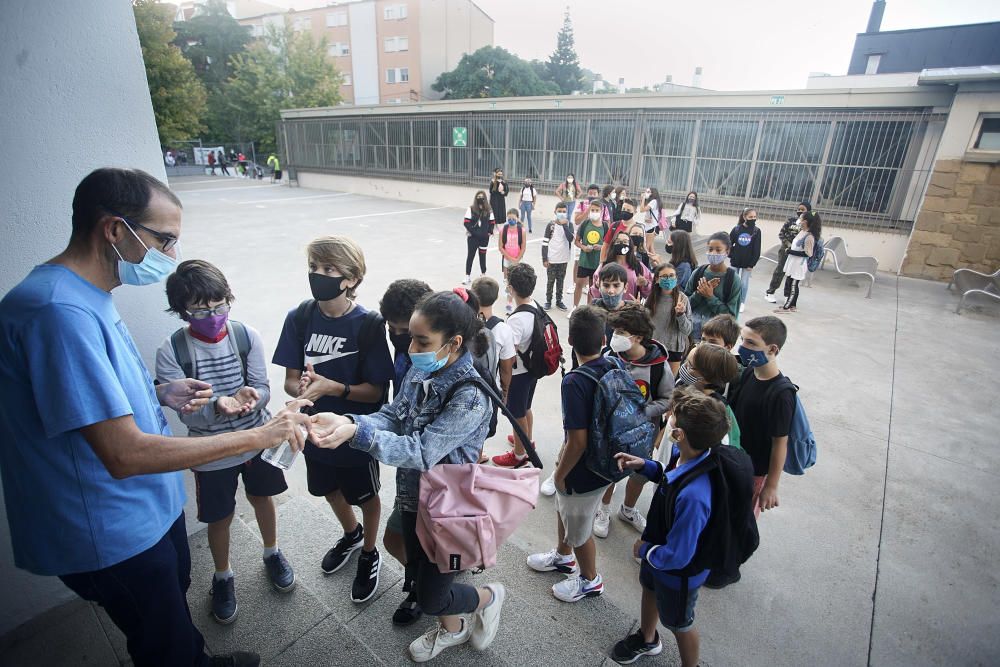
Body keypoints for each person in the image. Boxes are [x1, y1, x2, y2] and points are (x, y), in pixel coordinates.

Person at [0, 167, 309, 667]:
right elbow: (122, 453)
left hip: (144, 512)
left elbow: (87, 399)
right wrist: (258, 433)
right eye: (164, 240)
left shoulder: (84, 297)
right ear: (114, 229)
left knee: (171, 615)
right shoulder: (57, 313)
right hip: (112, 529)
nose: (169, 256)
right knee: (160, 644)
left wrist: (160, 391)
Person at [308, 292, 507, 662]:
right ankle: (450, 622)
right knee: (406, 557)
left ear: (454, 343)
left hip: (450, 508)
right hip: (415, 495)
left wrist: (357, 435)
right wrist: (350, 421)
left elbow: (421, 451)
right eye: (410, 337)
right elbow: (393, 415)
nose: (410, 347)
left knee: (433, 596)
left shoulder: (471, 396)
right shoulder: (423, 368)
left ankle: (487, 597)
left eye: (421, 340)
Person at [155, 260, 294, 625]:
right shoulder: (173, 351)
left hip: (258, 439)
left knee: (263, 498)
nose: (213, 315)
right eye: (201, 310)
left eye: (219, 306)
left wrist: (253, 397)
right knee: (219, 516)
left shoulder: (246, 335)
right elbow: (185, 412)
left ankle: (272, 552)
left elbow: (263, 387)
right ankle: (222, 576)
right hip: (211, 451)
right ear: (182, 310)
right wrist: (218, 405)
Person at [272, 236, 394, 605]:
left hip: (355, 432)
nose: (318, 275)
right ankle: (352, 534)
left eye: (328, 269)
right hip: (313, 430)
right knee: (326, 488)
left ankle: (370, 551)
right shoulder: (300, 316)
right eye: (314, 267)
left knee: (366, 495)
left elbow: (375, 392)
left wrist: (335, 388)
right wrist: (304, 390)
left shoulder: (369, 325)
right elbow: (291, 379)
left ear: (351, 279)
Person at [610, 389, 730, 667]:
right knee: (649, 588)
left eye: (671, 420)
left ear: (680, 435)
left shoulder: (695, 496)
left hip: (678, 574)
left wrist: (645, 549)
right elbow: (671, 475)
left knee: (679, 622)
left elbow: (679, 555)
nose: (668, 420)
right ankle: (647, 638)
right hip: (658, 554)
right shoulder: (689, 454)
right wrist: (647, 466)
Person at [526, 305, 611, 602]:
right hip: (606, 463)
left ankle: (590, 580)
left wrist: (560, 474)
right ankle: (564, 556)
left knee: (580, 527)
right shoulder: (612, 365)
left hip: (584, 469)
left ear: (571, 342)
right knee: (567, 510)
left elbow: (578, 441)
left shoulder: (575, 381)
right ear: (604, 341)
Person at [713, 316, 795, 589]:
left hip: (754, 472)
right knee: (722, 512)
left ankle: (727, 568)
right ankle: (715, 555)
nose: (743, 348)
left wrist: (771, 485)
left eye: (751, 343)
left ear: (773, 350)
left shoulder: (781, 393)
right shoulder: (747, 373)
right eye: (743, 340)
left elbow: (779, 443)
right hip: (731, 459)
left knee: (739, 519)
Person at [378, 278, 433, 625]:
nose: (401, 339)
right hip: (409, 472)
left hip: (435, 475)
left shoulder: (442, 368)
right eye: (394, 330)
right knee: (399, 540)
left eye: (410, 333)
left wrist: (361, 435)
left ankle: (430, 590)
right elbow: (398, 409)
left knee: (404, 539)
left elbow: (428, 446)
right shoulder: (408, 354)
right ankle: (423, 584)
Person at [594, 304, 673, 539]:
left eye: (620, 332)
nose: (614, 337)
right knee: (612, 470)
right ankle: (603, 510)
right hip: (613, 432)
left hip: (643, 433)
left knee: (639, 473)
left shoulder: (658, 366)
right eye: (614, 331)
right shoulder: (609, 357)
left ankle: (627, 509)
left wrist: (642, 412)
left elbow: (667, 399)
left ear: (638, 337)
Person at [491, 263, 538, 469]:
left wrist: (504, 383)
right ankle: (527, 440)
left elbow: (509, 355)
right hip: (533, 369)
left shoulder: (517, 320)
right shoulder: (534, 305)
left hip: (519, 374)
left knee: (516, 414)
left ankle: (519, 455)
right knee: (526, 407)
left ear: (511, 288)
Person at [672, 343, 741, 450]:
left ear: (705, 377)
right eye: (685, 361)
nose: (684, 366)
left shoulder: (716, 411)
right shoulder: (684, 387)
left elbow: (728, 445)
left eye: (689, 365)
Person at [380, 279, 434, 399]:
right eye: (392, 329)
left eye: (406, 332)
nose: (397, 336)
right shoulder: (401, 351)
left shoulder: (434, 362)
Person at [684, 232, 741, 341]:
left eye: (718, 250)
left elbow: (731, 317)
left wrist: (710, 297)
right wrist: (698, 294)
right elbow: (686, 304)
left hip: (715, 336)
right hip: (691, 332)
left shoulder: (733, 279)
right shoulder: (698, 273)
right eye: (710, 249)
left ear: (727, 252)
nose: (713, 253)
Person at [470, 276, 517, 405]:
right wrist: (505, 393)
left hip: (463, 387)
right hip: (489, 391)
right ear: (495, 298)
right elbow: (506, 368)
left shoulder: (463, 323)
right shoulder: (504, 330)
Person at [646, 262, 693, 375]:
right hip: (654, 348)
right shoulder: (651, 299)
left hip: (673, 349)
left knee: (669, 384)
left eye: (672, 276)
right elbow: (645, 325)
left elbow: (687, 330)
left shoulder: (682, 299)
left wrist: (680, 315)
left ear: (676, 278)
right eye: (664, 276)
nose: (668, 279)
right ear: (657, 279)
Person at [777, 211, 821, 314]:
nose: (799, 220)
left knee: (793, 285)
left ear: (805, 221)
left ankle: (786, 307)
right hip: (792, 263)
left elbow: (808, 254)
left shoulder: (809, 236)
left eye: (801, 218)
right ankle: (792, 305)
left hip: (798, 265)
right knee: (791, 284)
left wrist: (790, 251)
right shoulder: (802, 232)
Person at [590, 230, 653, 302]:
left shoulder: (638, 266)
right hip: (607, 310)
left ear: (630, 245)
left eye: (625, 242)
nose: (622, 244)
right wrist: (597, 286)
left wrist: (645, 284)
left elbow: (649, 292)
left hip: (629, 309)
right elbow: (594, 295)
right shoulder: (604, 266)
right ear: (613, 244)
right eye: (618, 241)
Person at [765, 201, 808, 303]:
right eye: (799, 209)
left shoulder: (808, 225)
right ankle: (770, 292)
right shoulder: (791, 221)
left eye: (803, 210)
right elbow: (781, 234)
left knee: (791, 273)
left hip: (797, 252)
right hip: (785, 250)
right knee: (780, 270)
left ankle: (787, 295)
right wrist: (787, 244)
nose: (800, 211)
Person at [573, 199, 609, 308]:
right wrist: (583, 247)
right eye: (592, 210)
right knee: (579, 284)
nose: (594, 212)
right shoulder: (585, 223)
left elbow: (608, 245)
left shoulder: (605, 226)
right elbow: (576, 241)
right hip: (584, 261)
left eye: (597, 210)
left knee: (592, 287)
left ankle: (588, 308)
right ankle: (575, 307)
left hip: (597, 262)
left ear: (601, 211)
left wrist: (601, 246)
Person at [542, 201, 574, 311]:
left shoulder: (569, 224)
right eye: (559, 211)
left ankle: (559, 300)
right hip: (552, 259)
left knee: (561, 281)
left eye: (564, 212)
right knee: (550, 281)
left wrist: (564, 225)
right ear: (555, 212)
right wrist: (545, 258)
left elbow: (570, 238)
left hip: (563, 259)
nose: (561, 213)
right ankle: (548, 301)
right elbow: (545, 243)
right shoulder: (550, 225)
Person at [729, 208, 762, 314]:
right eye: (750, 217)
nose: (753, 219)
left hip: (747, 263)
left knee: (743, 283)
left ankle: (741, 302)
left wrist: (752, 263)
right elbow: (729, 243)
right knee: (733, 281)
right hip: (735, 261)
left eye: (754, 217)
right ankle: (731, 300)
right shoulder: (737, 229)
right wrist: (731, 254)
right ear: (744, 217)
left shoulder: (756, 231)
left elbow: (757, 249)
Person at [462, 191, 495, 285]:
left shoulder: (489, 209)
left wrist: (489, 231)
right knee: (470, 256)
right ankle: (467, 276)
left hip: (484, 238)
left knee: (482, 255)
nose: (480, 198)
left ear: (485, 198)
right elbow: (466, 222)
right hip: (473, 238)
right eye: (478, 197)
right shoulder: (471, 209)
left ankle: (483, 274)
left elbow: (492, 222)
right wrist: (474, 232)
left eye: (482, 197)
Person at [499, 208, 527, 314]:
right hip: (507, 260)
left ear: (517, 218)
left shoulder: (521, 231)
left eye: (513, 218)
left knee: (517, 281)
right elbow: (501, 247)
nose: (511, 220)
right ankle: (509, 304)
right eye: (509, 218)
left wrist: (517, 259)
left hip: (518, 260)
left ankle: (519, 302)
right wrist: (510, 258)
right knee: (508, 282)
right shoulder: (503, 230)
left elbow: (523, 247)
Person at [600, 198, 638, 263]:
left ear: (635, 212)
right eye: (623, 209)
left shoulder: (638, 229)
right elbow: (605, 245)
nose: (625, 211)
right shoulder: (614, 225)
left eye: (628, 210)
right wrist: (601, 261)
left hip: (630, 263)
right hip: (613, 262)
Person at [640, 187, 664, 253]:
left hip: (651, 227)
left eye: (648, 192)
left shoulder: (654, 201)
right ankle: (656, 262)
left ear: (653, 193)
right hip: (652, 226)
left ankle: (646, 261)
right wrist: (643, 199)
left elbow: (641, 209)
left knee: (646, 246)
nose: (646, 193)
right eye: (646, 191)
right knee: (651, 247)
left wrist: (643, 198)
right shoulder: (654, 202)